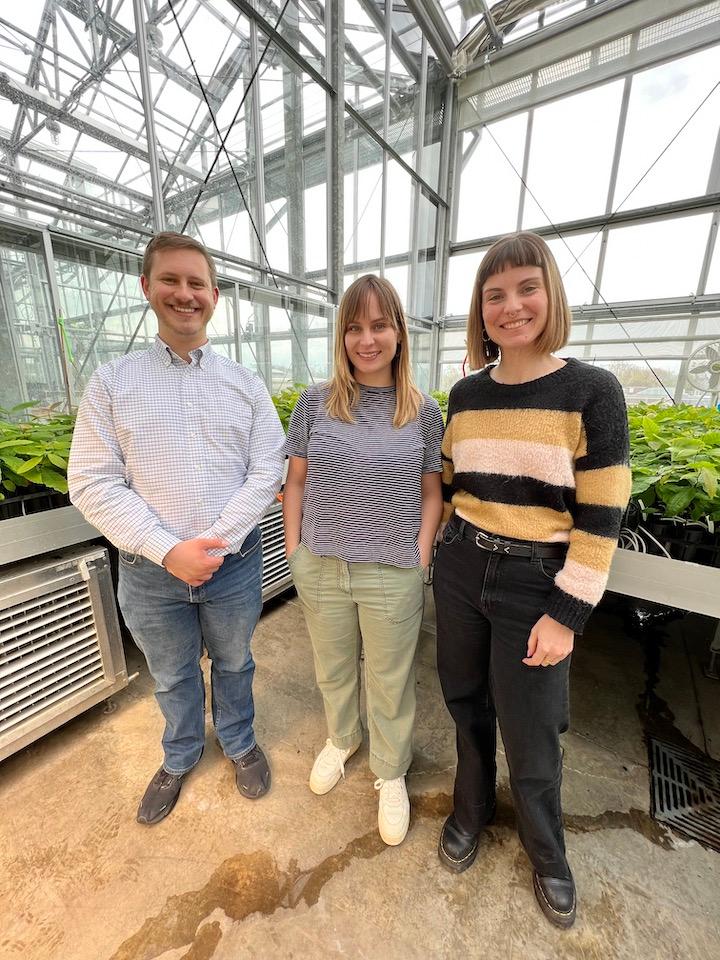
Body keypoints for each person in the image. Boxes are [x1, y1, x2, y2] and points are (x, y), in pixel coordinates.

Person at [433, 232, 631, 927]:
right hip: (462, 566)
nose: (510, 306)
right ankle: (473, 808)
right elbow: (452, 483)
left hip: (536, 580)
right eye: (494, 295)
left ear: (552, 295)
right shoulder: (465, 393)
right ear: (480, 310)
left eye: (526, 288)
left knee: (534, 726)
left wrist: (567, 614)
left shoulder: (593, 391)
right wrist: (442, 555)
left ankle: (547, 851)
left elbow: (603, 515)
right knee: (465, 701)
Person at [68, 232, 285, 825]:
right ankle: (181, 753)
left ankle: (239, 741)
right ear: (147, 287)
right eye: (170, 280)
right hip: (148, 572)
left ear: (214, 295)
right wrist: (168, 550)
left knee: (235, 661)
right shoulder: (113, 383)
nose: (184, 294)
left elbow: (268, 468)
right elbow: (90, 480)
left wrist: (216, 542)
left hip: (233, 565)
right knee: (170, 673)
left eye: (197, 283)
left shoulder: (244, 384)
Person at [282, 275, 444, 846]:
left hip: (392, 570)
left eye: (379, 326)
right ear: (342, 335)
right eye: (354, 327)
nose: (366, 339)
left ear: (399, 333)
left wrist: (420, 557)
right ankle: (342, 739)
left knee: (390, 678)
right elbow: (295, 481)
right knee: (332, 667)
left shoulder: (423, 412)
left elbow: (431, 493)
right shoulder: (315, 403)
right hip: (321, 564)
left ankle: (391, 771)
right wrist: (295, 550)